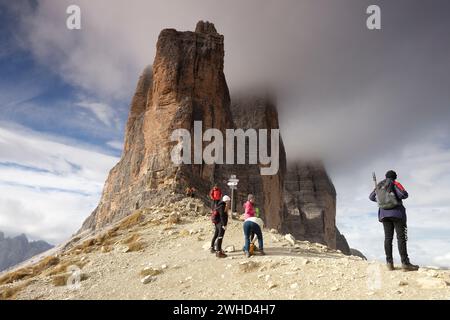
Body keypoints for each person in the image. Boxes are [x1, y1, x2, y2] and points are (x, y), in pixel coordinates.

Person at [369, 170, 419, 271]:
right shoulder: (395, 183)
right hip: (397, 214)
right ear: (394, 177)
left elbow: (371, 197)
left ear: (385, 176)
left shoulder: (379, 185)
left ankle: (389, 264)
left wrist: (382, 200)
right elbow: (404, 195)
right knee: (401, 238)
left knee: (388, 238)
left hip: (384, 215)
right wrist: (393, 198)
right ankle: (405, 263)